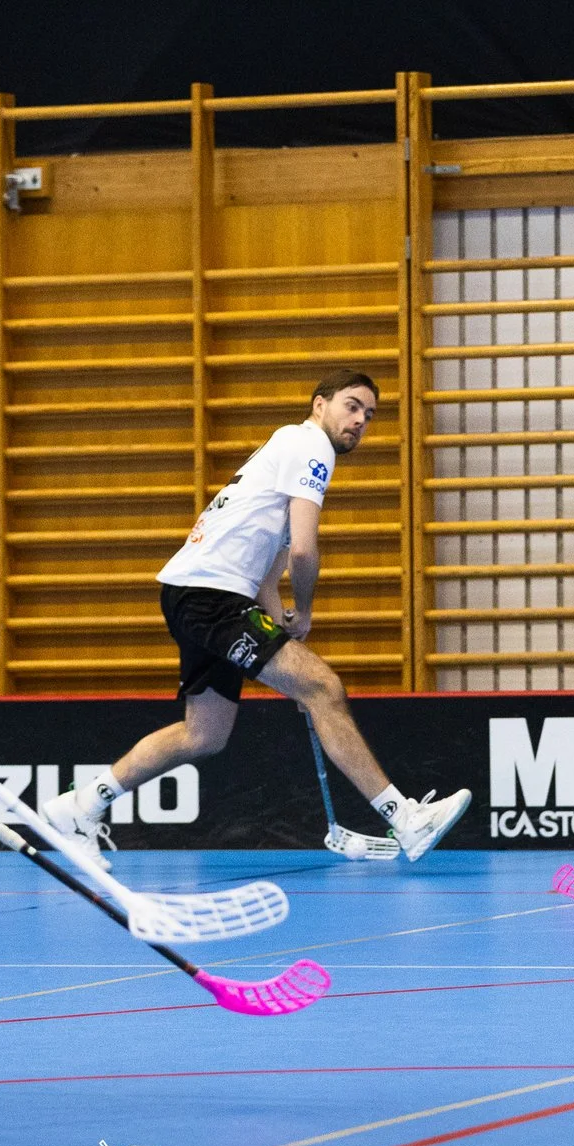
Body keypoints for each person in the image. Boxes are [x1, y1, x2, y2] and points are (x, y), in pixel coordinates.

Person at [43, 370, 471, 864]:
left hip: (196, 593)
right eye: (352, 406)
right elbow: (305, 554)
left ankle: (77, 807)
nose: (360, 421)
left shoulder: (284, 452)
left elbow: (270, 576)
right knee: (324, 688)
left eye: (369, 416)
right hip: (211, 597)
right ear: (319, 406)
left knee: (203, 734)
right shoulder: (311, 449)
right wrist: (304, 613)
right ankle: (406, 820)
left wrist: (286, 635)